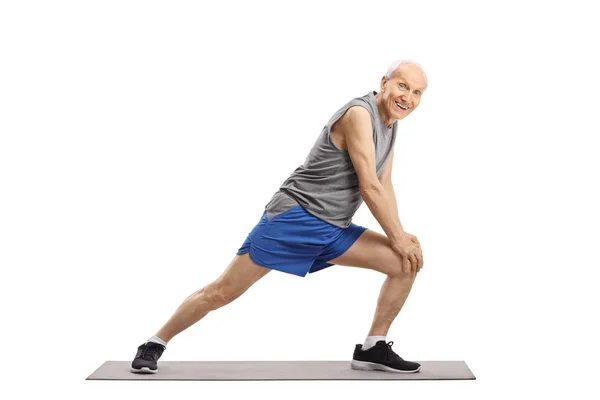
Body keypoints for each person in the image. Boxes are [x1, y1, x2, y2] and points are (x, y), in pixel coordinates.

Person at [131, 60, 427, 374]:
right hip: (295, 219)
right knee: (221, 291)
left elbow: (385, 183)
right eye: (402, 86)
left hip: (334, 228)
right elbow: (368, 186)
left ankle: (373, 347)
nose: (408, 97)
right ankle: (155, 342)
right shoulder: (359, 114)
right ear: (384, 83)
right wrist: (396, 236)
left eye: (417, 92)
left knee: (405, 262)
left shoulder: (391, 124)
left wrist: (402, 236)